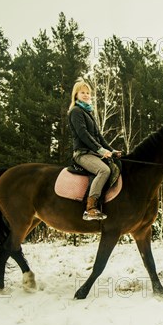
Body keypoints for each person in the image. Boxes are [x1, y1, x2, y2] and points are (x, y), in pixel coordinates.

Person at [68, 78, 121, 221]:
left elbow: (99, 137)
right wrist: (101, 151)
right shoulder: (76, 111)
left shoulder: (88, 113)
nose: (86, 95)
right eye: (82, 92)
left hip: (93, 152)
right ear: (76, 95)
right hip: (82, 153)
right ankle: (90, 208)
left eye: (88, 93)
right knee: (104, 170)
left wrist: (112, 150)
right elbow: (83, 134)